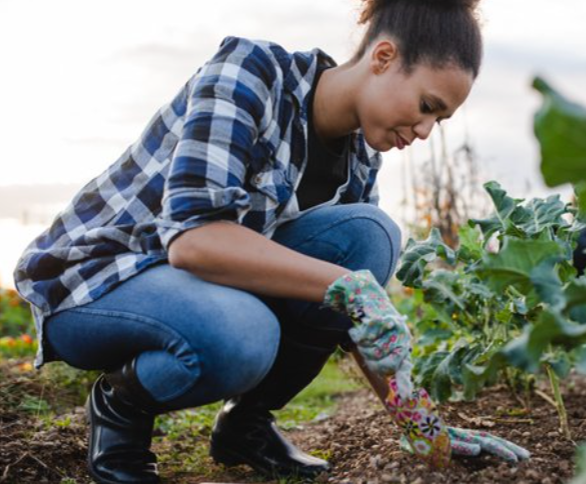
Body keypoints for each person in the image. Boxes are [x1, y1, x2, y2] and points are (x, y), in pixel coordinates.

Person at [13, 0, 529, 483]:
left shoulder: (359, 160)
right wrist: (349, 286)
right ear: (383, 56)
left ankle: (245, 424)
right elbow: (193, 241)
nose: (424, 131)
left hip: (188, 290)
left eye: (440, 120)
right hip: (94, 284)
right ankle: (120, 405)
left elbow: (356, 313)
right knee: (245, 334)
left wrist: (421, 424)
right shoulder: (253, 71)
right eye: (426, 105)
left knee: (369, 234)